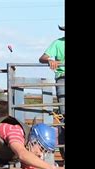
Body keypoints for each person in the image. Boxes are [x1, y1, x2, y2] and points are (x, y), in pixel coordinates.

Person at [39, 25, 65, 158]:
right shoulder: (58, 43)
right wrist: (50, 59)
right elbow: (43, 57)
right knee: (64, 115)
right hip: (63, 79)